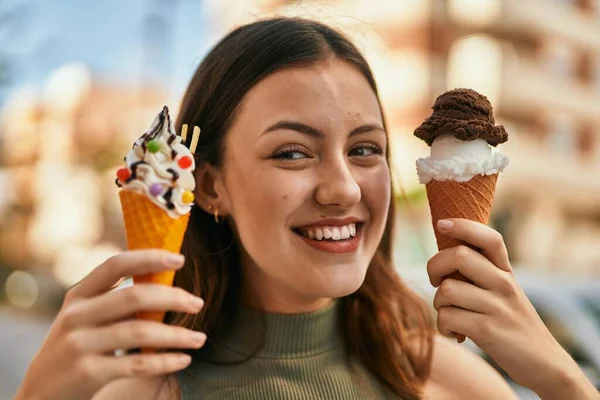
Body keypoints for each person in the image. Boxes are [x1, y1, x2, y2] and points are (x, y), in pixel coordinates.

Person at [15, 17, 599, 400]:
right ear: (210, 186)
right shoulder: (137, 393)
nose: (343, 188)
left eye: (365, 149)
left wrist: (564, 382)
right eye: (292, 152)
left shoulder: (446, 383)